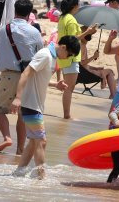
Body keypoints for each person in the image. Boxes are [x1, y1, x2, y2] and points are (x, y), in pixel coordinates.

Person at [11, 35, 81, 180]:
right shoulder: (45, 55)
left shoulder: (52, 57)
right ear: (63, 47)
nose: (68, 58)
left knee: (33, 142)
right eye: (69, 54)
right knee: (42, 141)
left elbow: (37, 78)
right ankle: (41, 177)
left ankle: (19, 172)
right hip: (30, 104)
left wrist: (56, 85)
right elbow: (26, 73)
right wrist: (18, 97)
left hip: (35, 105)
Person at [0, 0, 45, 153]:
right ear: (30, 14)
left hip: (8, 74)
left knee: (0, 110)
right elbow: (40, 54)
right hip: (28, 75)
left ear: (14, 10)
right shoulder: (34, 31)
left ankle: (7, 138)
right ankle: (20, 149)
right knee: (22, 114)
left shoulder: (4, 29)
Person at [56, 0, 97, 120]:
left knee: (68, 87)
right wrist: (88, 32)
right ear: (74, 6)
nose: (79, 7)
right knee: (69, 87)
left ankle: (67, 114)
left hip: (64, 56)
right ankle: (67, 115)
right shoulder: (71, 20)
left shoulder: (63, 18)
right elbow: (73, 39)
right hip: (71, 57)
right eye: (78, 4)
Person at [79, 30, 116, 99]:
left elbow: (83, 65)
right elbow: (82, 63)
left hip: (83, 73)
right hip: (86, 75)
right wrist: (93, 57)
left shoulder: (81, 45)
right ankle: (113, 95)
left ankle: (112, 92)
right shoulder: (82, 46)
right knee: (110, 71)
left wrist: (95, 68)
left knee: (105, 71)